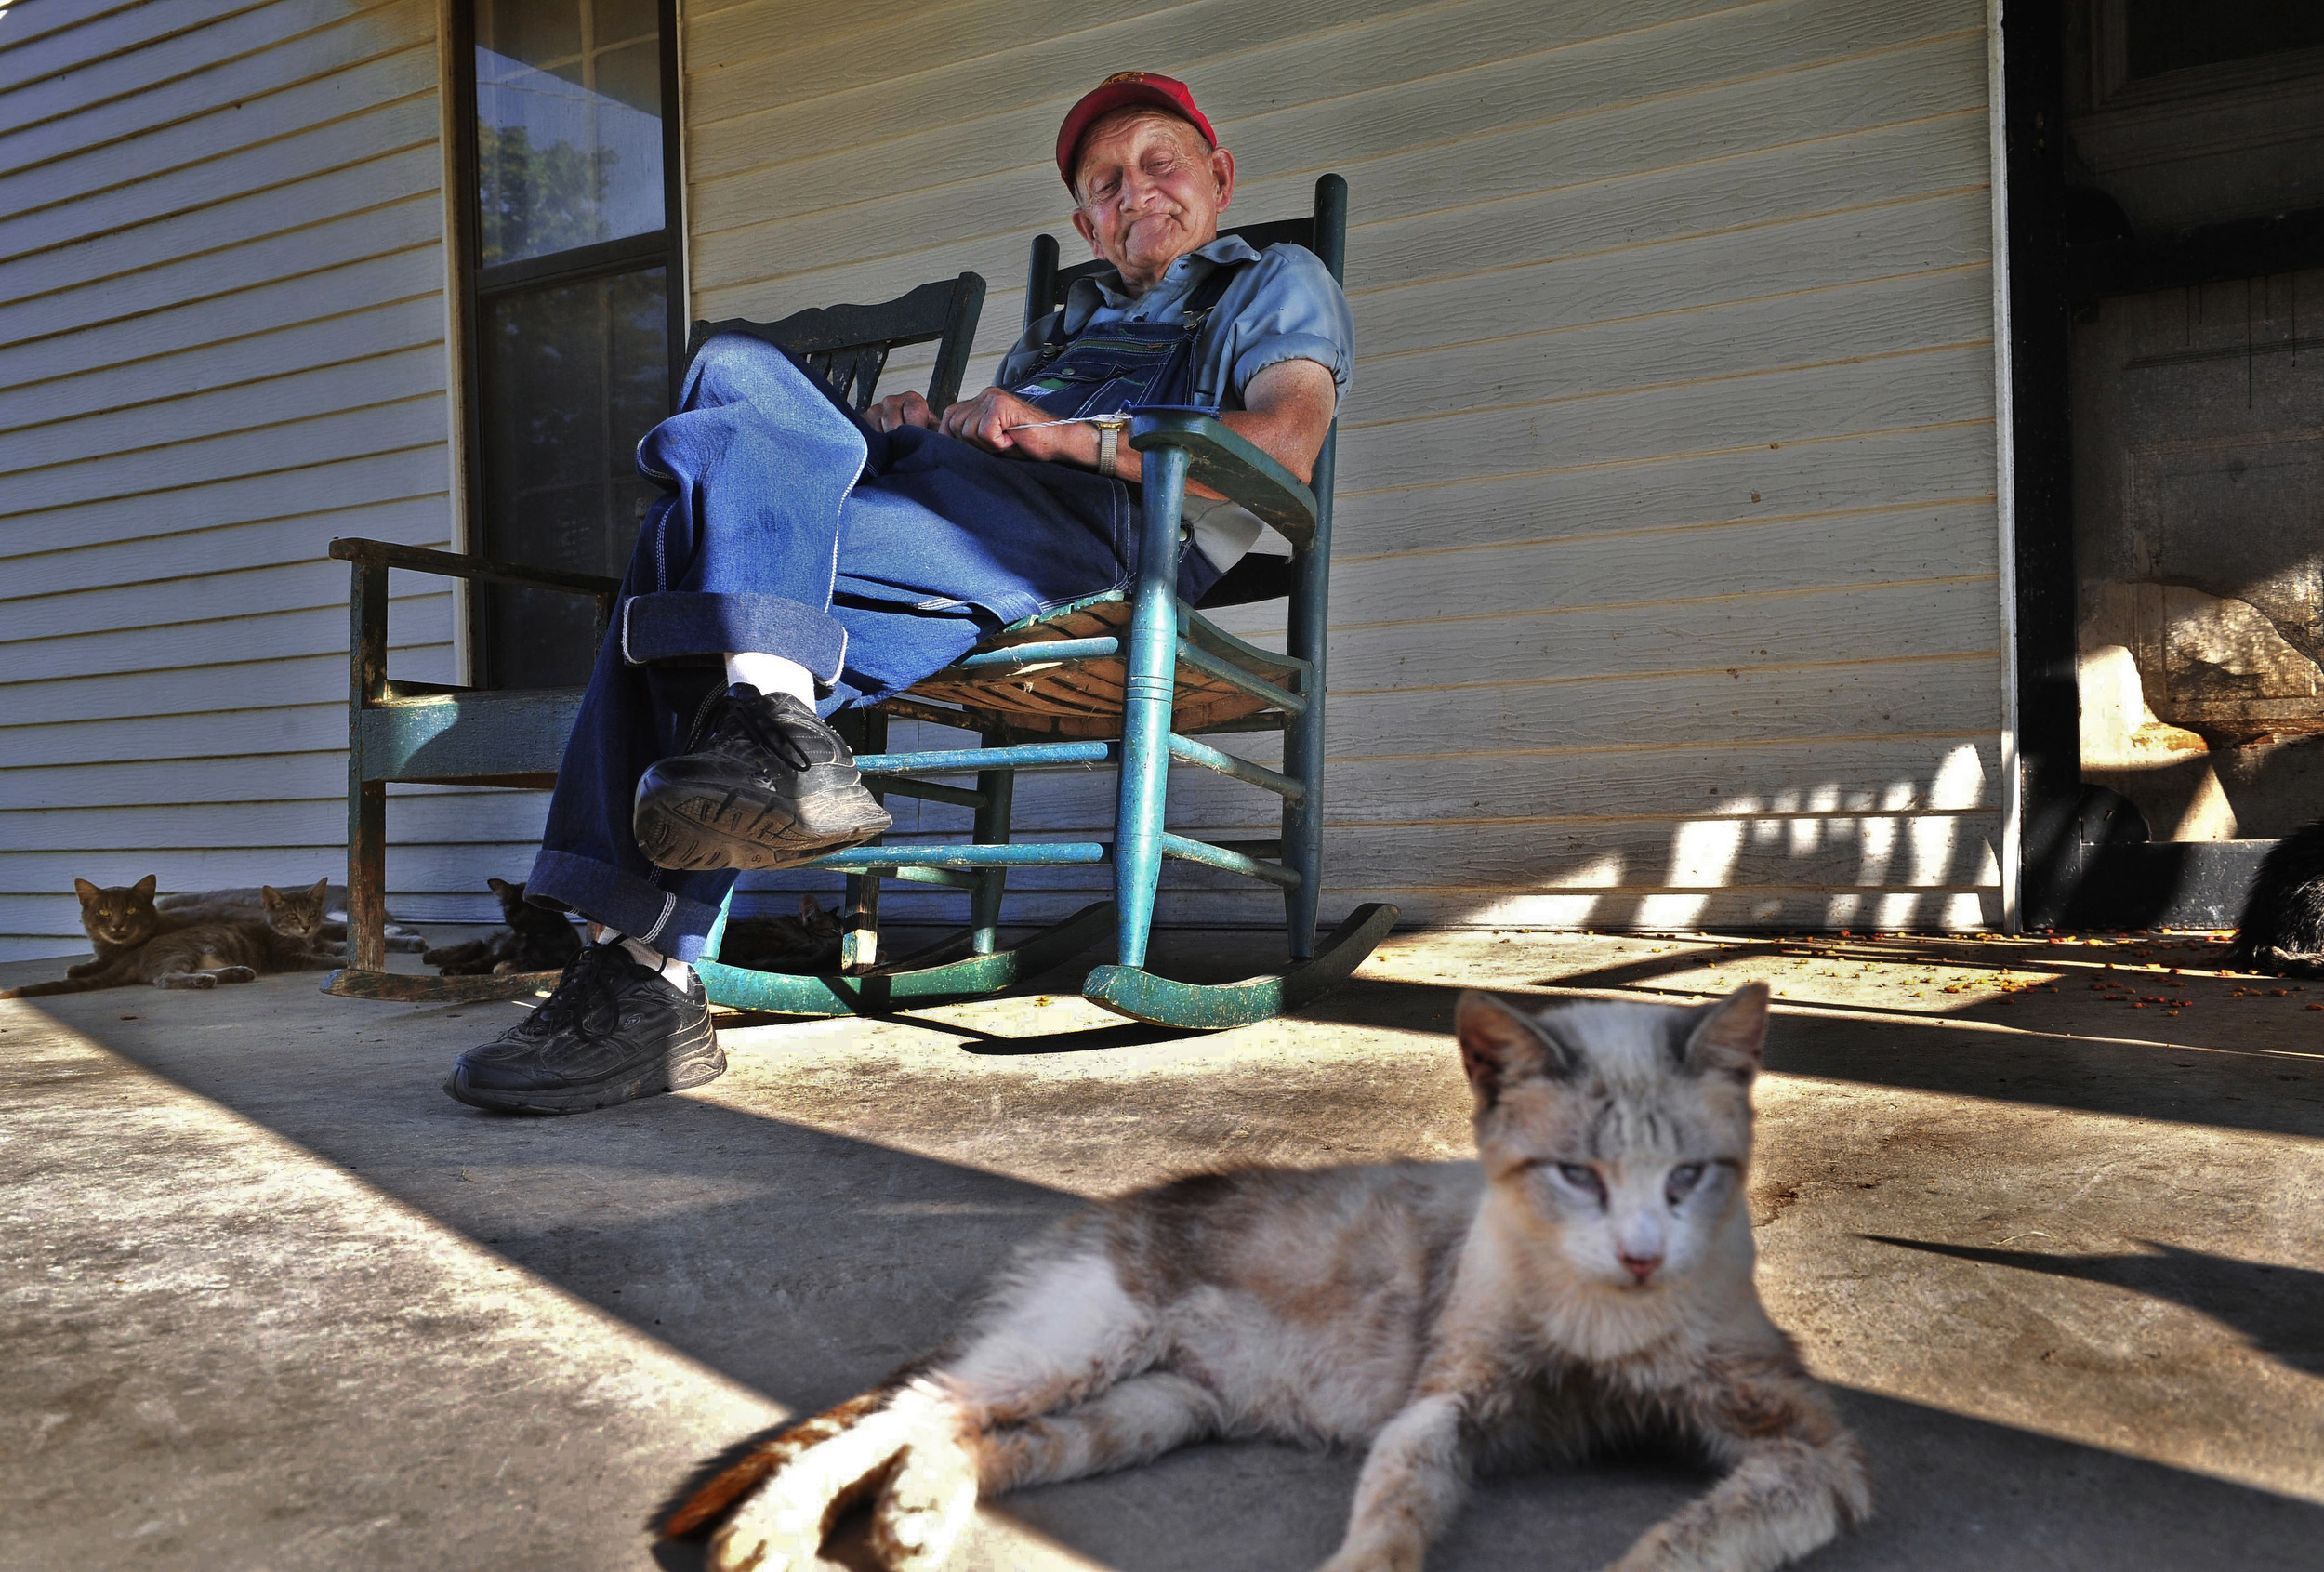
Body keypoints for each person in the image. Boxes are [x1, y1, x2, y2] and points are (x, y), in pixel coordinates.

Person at [442, 72, 1354, 1115]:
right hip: (967, 513)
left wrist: (1061, 435)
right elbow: (994, 435)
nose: (1133, 193)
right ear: (1082, 219)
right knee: (735, 382)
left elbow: (1284, 441)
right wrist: (933, 425)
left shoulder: (1272, 278)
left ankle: (643, 956)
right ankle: (770, 718)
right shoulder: (1067, 319)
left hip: (1107, 533)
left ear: (1219, 176)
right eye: (1104, 183)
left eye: (1159, 163)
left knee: (687, 534)